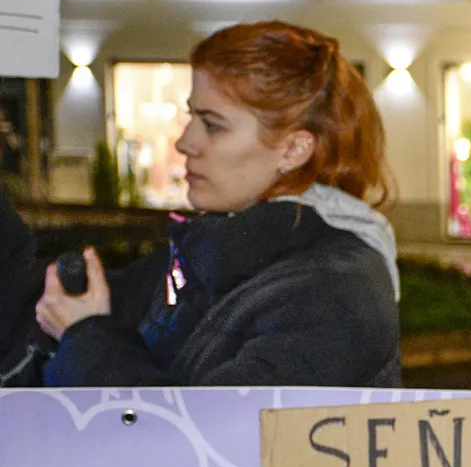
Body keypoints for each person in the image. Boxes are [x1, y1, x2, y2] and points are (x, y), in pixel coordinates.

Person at [7, 21, 400, 388]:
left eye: (213, 124)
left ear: (295, 149)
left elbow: (203, 447)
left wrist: (86, 338)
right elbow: (22, 298)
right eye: (192, 116)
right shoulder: (208, 254)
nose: (185, 142)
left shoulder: (332, 294)